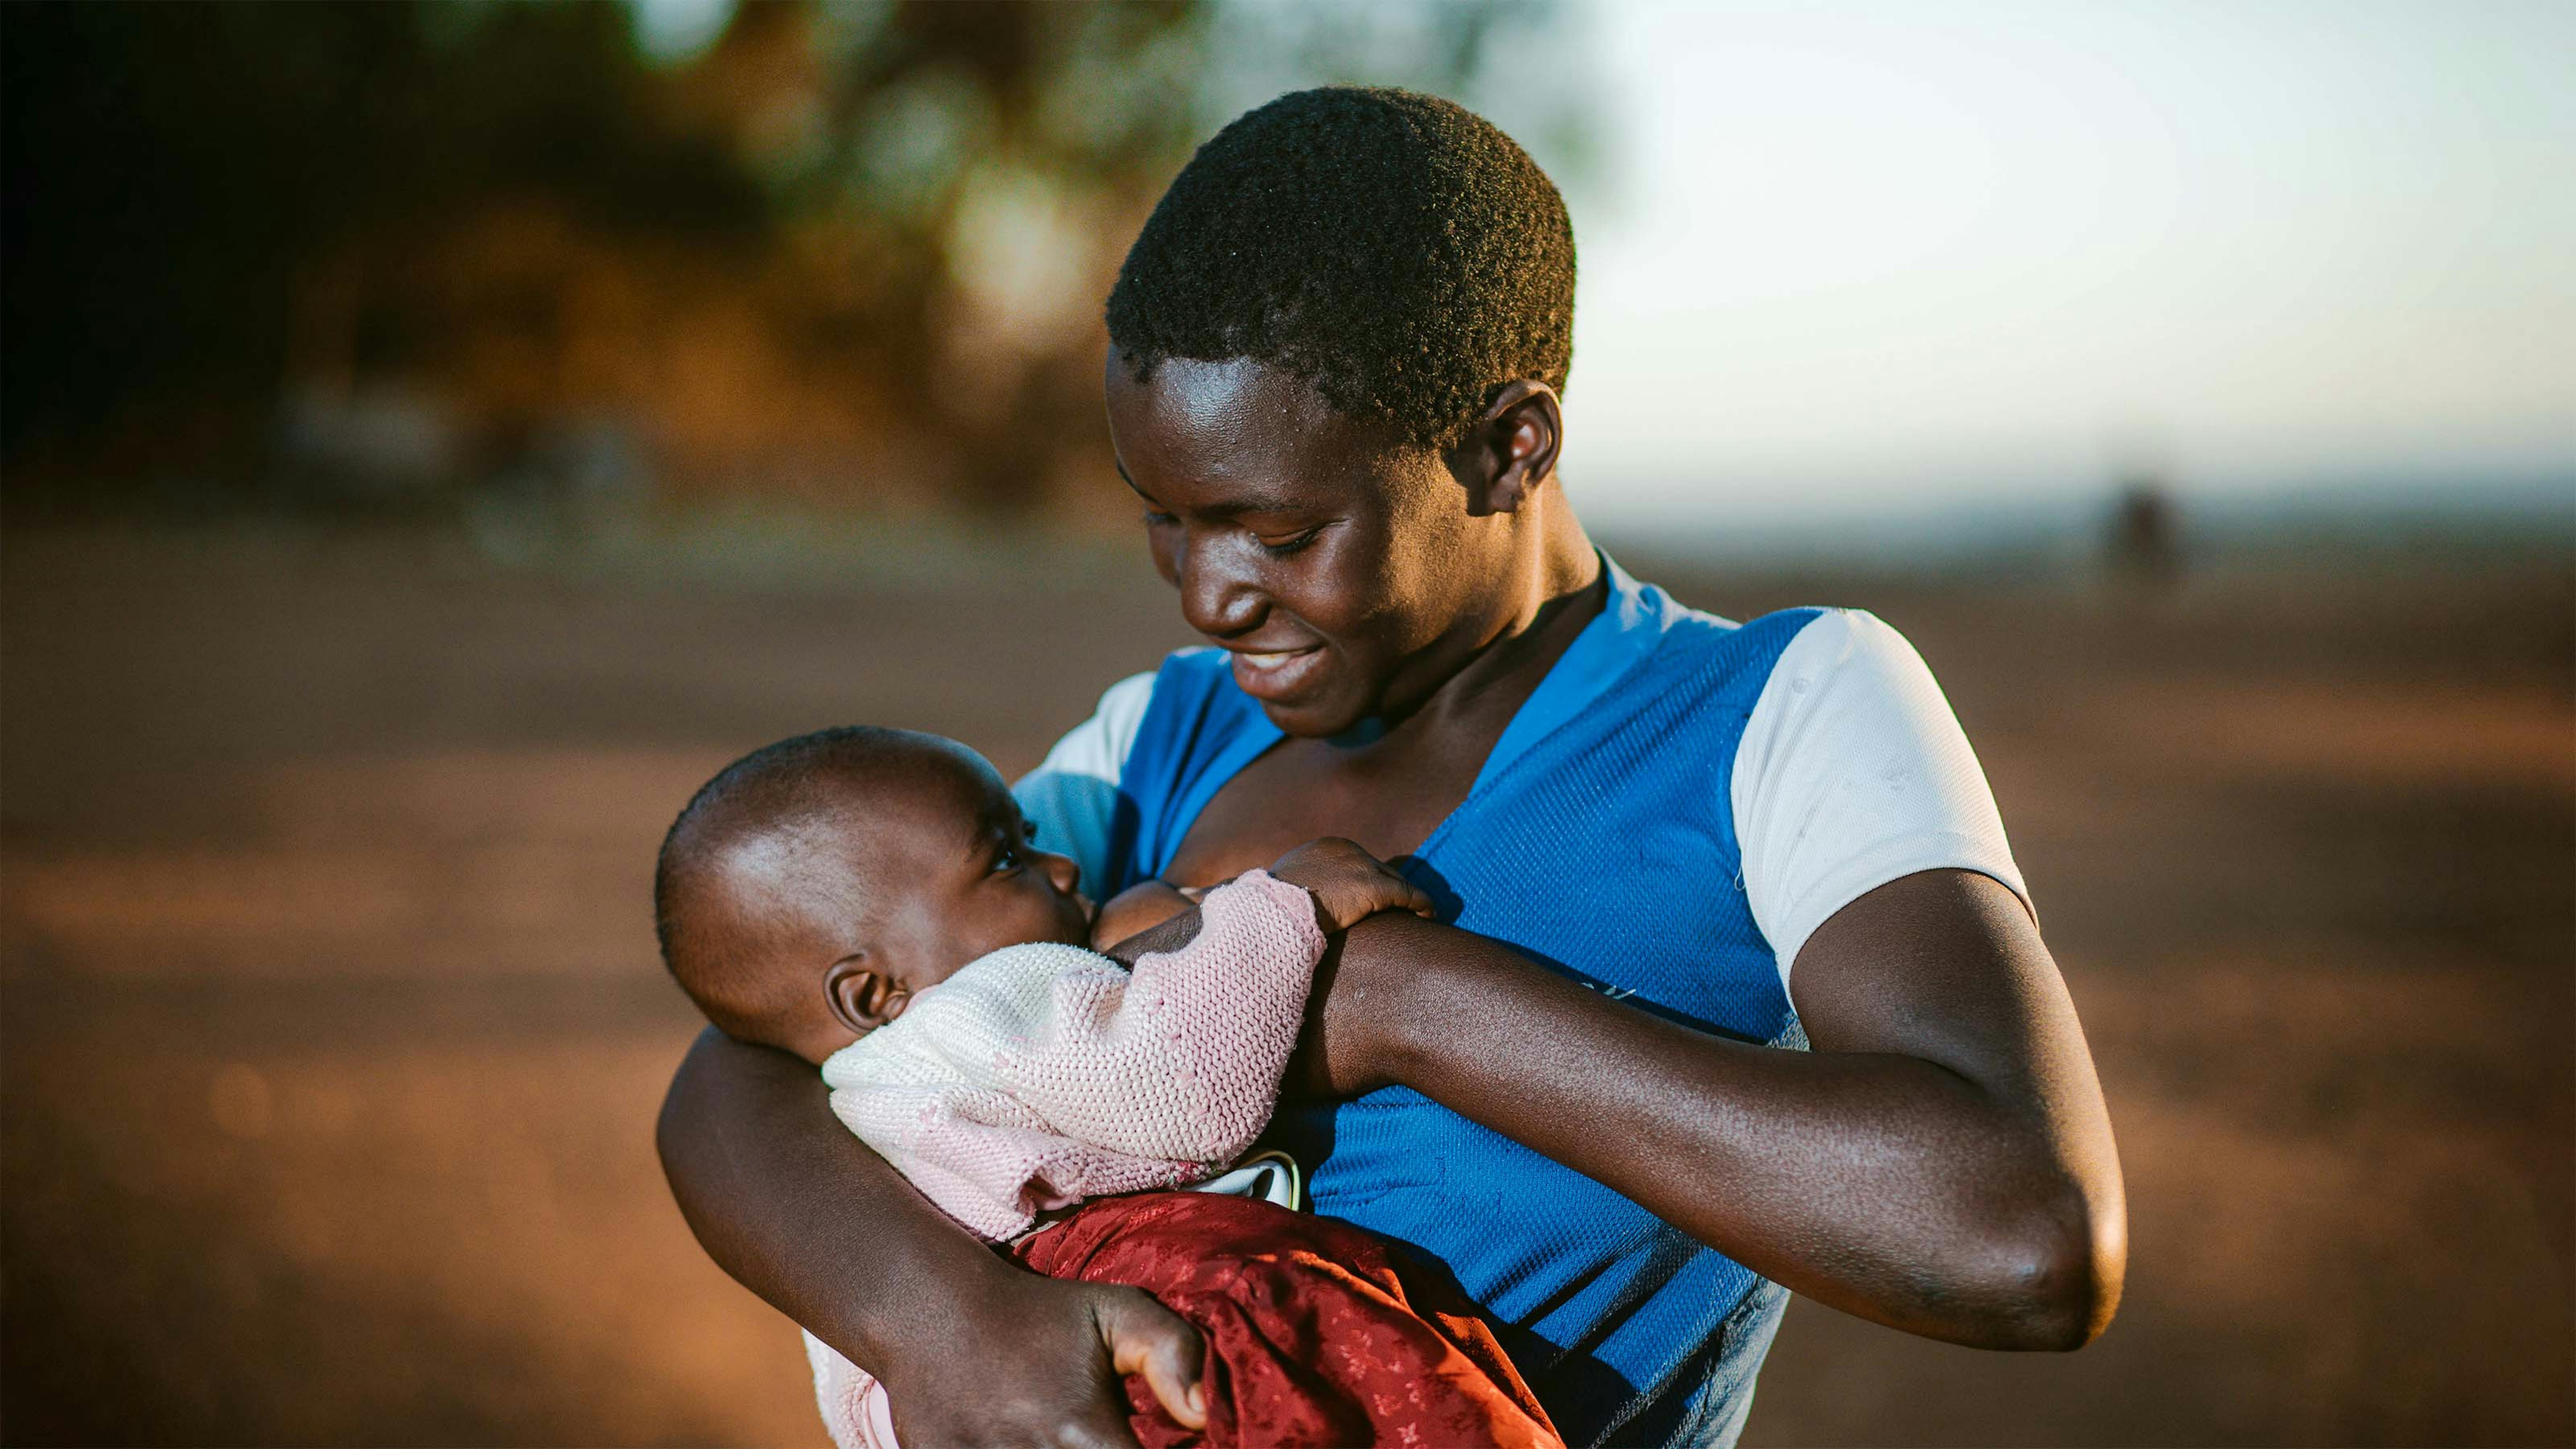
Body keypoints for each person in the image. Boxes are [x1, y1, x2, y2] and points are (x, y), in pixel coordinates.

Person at [658, 86, 2125, 1448]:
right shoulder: (1160, 740)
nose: (1208, 595)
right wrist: (940, 1325)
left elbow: (2018, 1237)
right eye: (1163, 518)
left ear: (1507, 447)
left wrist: (1393, 1005)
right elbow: (754, 1063)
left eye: (1279, 533)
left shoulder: (1773, 714)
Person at [650, 724, 1564, 1447]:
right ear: (873, 992)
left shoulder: (856, 1098)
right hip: (1171, 1348)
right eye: (1007, 860)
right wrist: (1283, 905)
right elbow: (1185, 1089)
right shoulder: (969, 1021)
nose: (1063, 868)